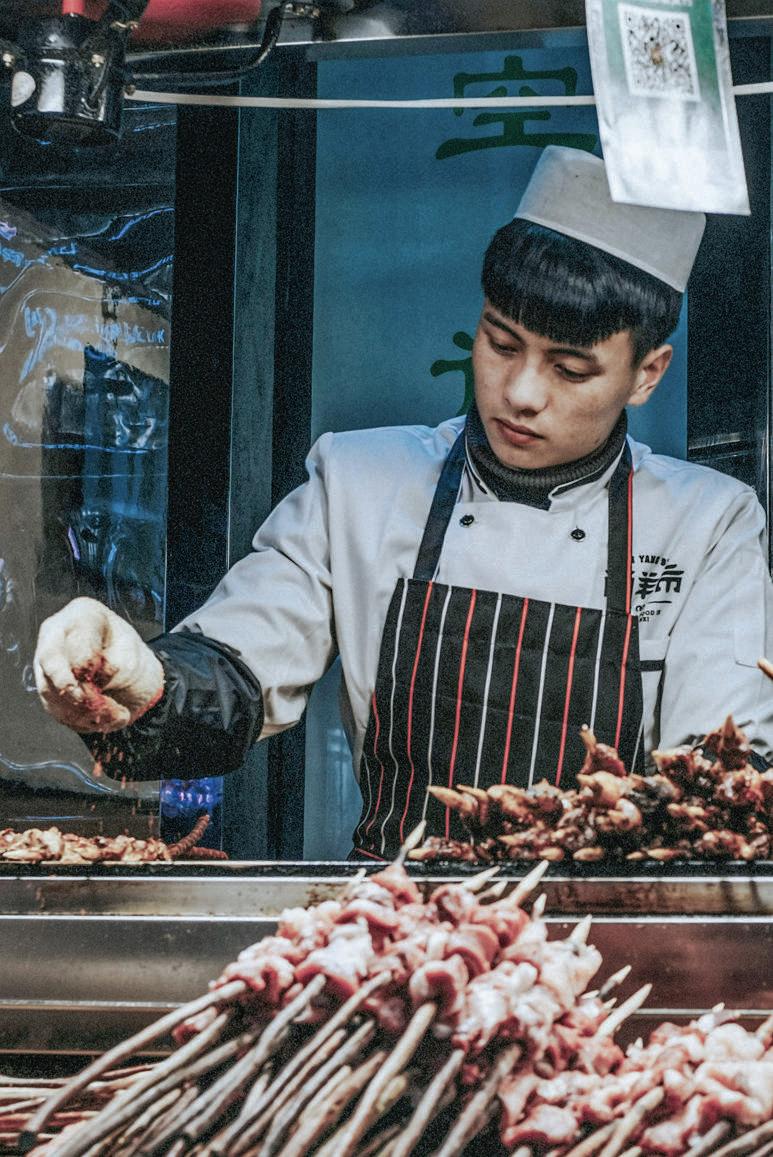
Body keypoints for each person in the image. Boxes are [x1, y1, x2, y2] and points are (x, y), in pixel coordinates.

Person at [33, 146, 773, 860]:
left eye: (570, 370)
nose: (520, 393)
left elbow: (719, 781)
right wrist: (136, 677)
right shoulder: (361, 481)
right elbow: (235, 669)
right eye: (500, 343)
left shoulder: (708, 524)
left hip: (614, 923)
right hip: (394, 913)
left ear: (646, 374)